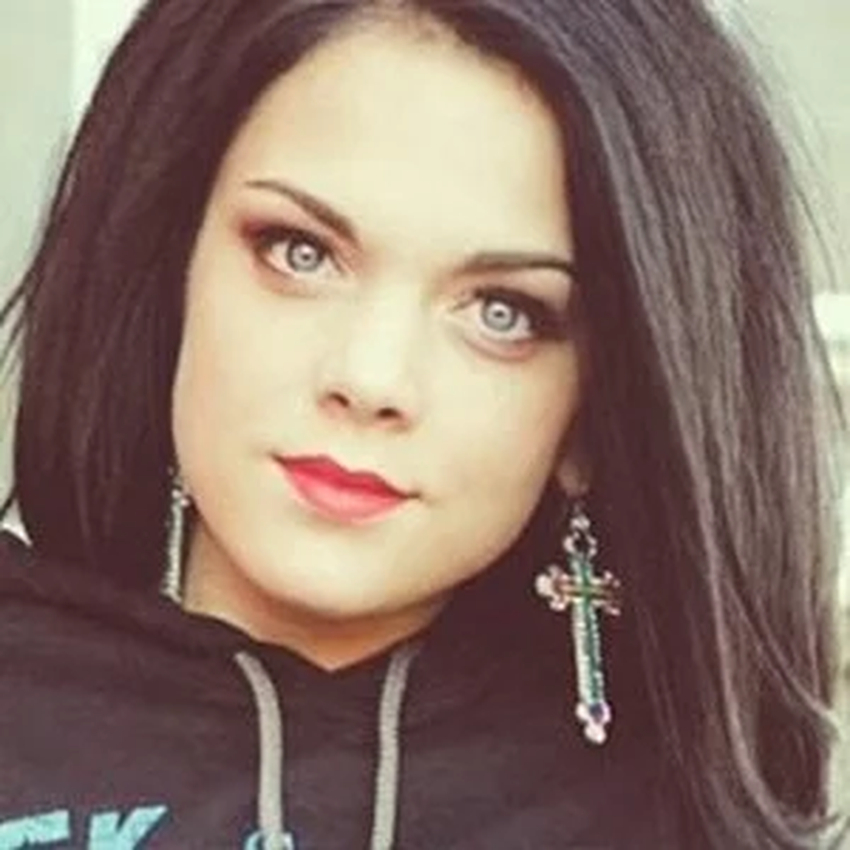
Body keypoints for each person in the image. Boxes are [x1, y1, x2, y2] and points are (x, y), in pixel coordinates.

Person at [0, 0, 843, 847]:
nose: (370, 378)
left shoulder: (668, 807)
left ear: (598, 411)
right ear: (168, 268)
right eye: (300, 252)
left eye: (503, 312)